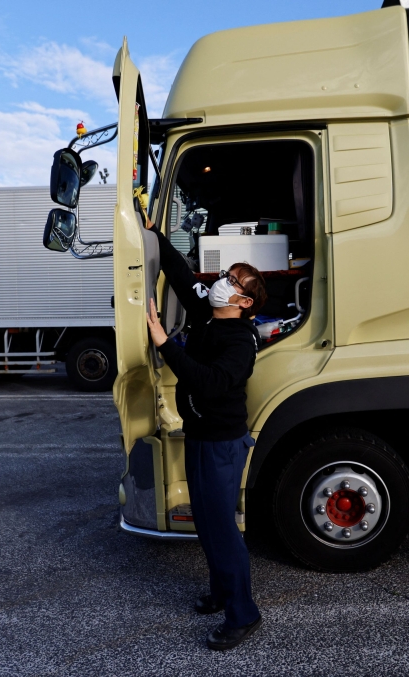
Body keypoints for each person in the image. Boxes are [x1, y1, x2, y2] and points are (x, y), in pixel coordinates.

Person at [143, 213, 267, 651]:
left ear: (246, 302)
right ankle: (220, 593)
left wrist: (165, 343)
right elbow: (179, 272)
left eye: (234, 281)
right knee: (207, 523)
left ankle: (243, 614)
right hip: (199, 435)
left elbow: (209, 382)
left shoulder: (240, 341)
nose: (222, 282)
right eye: (226, 274)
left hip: (221, 444)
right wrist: (153, 234)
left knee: (221, 527)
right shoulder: (208, 313)